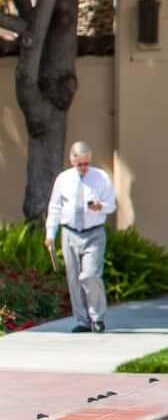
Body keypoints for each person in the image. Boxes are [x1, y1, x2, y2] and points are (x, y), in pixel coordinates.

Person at [44, 142, 117, 333]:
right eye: (80, 164)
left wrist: (100, 206)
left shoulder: (101, 177)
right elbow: (55, 207)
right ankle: (83, 320)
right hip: (69, 231)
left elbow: (111, 205)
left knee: (90, 275)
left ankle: (97, 318)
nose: (84, 167)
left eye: (86, 163)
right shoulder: (63, 179)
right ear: (72, 160)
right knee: (74, 278)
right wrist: (50, 233)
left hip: (94, 232)